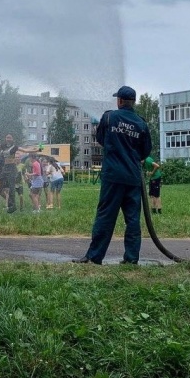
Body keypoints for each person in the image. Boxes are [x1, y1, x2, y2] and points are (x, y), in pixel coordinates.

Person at [74, 86, 152, 265]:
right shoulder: (141, 123)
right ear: (133, 102)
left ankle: (94, 256)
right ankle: (131, 258)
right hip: (133, 178)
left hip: (113, 176)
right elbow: (145, 151)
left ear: (119, 101)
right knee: (133, 219)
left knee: (105, 217)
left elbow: (101, 139)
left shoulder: (109, 117)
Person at [0, 134, 39, 214]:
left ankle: (12, 206)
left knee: (11, 187)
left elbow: (25, 150)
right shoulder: (3, 146)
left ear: (12, 139)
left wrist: (35, 149)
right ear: (5, 139)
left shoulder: (15, 147)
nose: (8, 139)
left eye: (10, 137)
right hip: (5, 167)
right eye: (7, 137)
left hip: (12, 167)